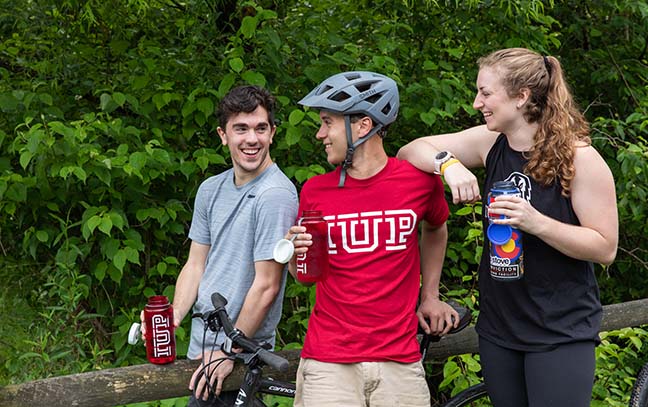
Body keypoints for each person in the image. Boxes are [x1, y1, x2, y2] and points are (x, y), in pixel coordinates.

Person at [397, 48, 618, 407]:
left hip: (560, 331)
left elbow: (605, 247)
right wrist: (448, 165)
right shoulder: (491, 143)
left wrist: (537, 223)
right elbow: (411, 151)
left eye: (485, 93)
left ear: (521, 96)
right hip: (500, 328)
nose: (476, 103)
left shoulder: (581, 159)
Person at [283, 71, 459, 407]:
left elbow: (436, 227)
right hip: (329, 362)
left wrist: (431, 295)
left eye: (327, 122)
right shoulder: (315, 191)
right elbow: (304, 278)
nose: (320, 134)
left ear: (363, 126)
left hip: (400, 360)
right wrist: (295, 255)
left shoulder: (417, 182)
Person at [141, 85, 298, 406]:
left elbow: (267, 285)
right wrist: (172, 319)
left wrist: (230, 350)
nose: (251, 139)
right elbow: (196, 263)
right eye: (240, 129)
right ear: (223, 135)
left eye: (260, 128)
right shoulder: (211, 189)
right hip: (204, 349)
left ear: (273, 133)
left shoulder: (275, 194)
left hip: (238, 358)